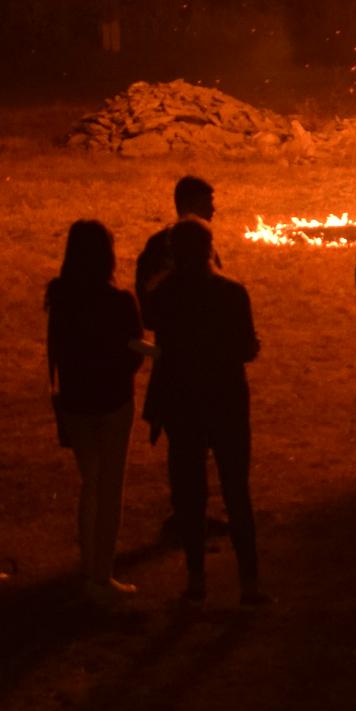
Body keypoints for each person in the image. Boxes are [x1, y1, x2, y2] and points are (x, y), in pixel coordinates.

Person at [143, 218, 266, 606]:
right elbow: (245, 348)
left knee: (189, 492)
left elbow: (157, 331)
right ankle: (249, 581)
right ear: (210, 249)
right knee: (236, 490)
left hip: (182, 399)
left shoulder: (163, 294)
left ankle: (196, 579)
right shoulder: (231, 293)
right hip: (226, 398)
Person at [44, 220, 146, 603]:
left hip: (76, 402)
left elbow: (58, 350)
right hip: (113, 401)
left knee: (90, 482)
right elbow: (134, 350)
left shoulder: (61, 299)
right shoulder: (119, 302)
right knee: (109, 487)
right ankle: (100, 574)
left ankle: (88, 568)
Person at [136, 175, 216, 301]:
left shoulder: (204, 242)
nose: (213, 209)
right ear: (190, 205)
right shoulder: (160, 246)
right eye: (206, 203)